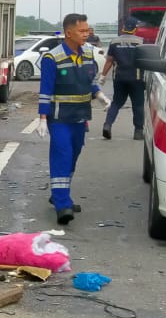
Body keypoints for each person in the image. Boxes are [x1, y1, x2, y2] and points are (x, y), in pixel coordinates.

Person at [36, 13, 110, 225]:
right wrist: (42, 118)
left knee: (73, 156)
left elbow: (90, 81)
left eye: (88, 30)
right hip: (59, 118)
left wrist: (100, 96)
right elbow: (45, 90)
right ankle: (62, 206)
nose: (86, 34)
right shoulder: (53, 58)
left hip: (79, 117)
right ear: (69, 32)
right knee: (62, 155)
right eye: (82, 31)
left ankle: (61, 194)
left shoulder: (88, 54)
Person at [98, 17, 145, 140]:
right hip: (137, 78)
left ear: (124, 28)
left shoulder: (114, 42)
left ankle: (107, 125)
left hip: (119, 78)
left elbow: (109, 61)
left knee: (116, 103)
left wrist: (103, 76)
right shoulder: (141, 42)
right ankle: (138, 131)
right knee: (138, 105)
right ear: (135, 28)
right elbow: (145, 62)